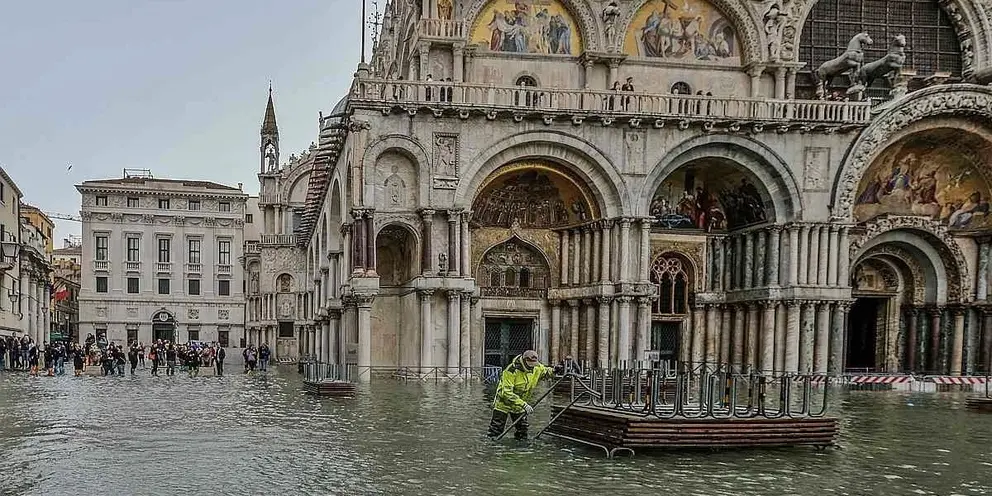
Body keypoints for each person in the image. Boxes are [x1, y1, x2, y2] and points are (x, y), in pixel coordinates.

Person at [487, 350, 554, 441]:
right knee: (496, 429)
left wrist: (555, 370)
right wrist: (524, 404)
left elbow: (546, 371)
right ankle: (492, 446)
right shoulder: (511, 371)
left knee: (522, 430)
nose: (531, 368)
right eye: (530, 365)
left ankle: (521, 447)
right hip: (503, 404)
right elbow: (506, 392)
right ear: (524, 361)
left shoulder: (537, 368)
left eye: (533, 365)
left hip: (519, 406)